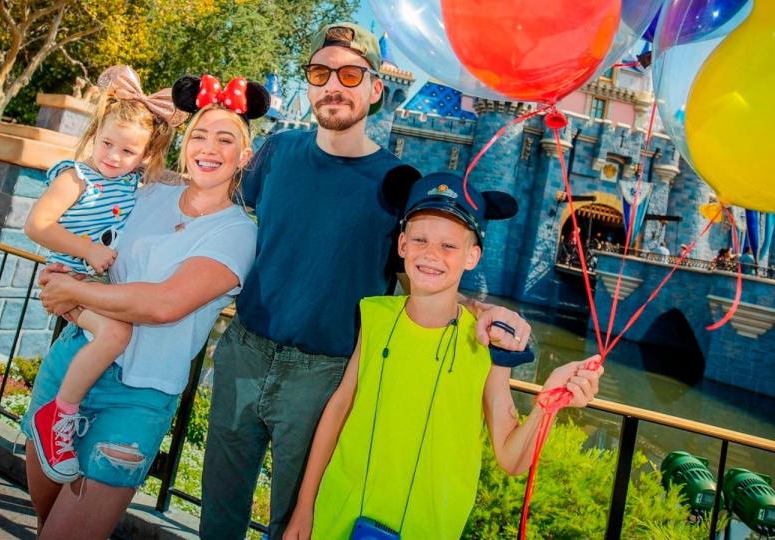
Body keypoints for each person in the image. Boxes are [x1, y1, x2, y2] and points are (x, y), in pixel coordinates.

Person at [199, 22, 532, 539]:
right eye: (321, 73)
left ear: (376, 89)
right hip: (244, 350)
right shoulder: (279, 151)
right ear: (309, 84)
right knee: (218, 513)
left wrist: (479, 312)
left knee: (293, 523)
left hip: (323, 375)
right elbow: (214, 206)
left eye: (351, 74)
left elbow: (424, 271)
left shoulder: (395, 186)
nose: (334, 85)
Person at [283, 173, 602, 539]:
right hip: (337, 512)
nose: (431, 254)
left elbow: (512, 459)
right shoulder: (374, 315)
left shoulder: (488, 344)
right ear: (402, 245)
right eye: (420, 239)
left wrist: (548, 404)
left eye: (449, 246)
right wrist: (304, 507)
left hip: (427, 526)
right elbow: (340, 408)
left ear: (472, 256)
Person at [23, 75, 268, 539]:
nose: (209, 147)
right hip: (72, 363)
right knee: (45, 523)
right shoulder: (145, 193)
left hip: (137, 395)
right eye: (198, 134)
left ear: (245, 157)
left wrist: (73, 294)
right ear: (182, 144)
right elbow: (85, 205)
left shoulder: (238, 232)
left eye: (225, 139)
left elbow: (162, 305)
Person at [23, 65, 182, 484]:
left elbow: (173, 184)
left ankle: (64, 411)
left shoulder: (132, 183)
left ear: (145, 155)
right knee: (116, 335)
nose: (112, 156)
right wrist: (87, 250)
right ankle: (60, 415)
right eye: (106, 143)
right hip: (73, 279)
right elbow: (37, 225)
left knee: (114, 333)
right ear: (94, 135)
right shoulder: (78, 178)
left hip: (93, 285)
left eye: (127, 152)